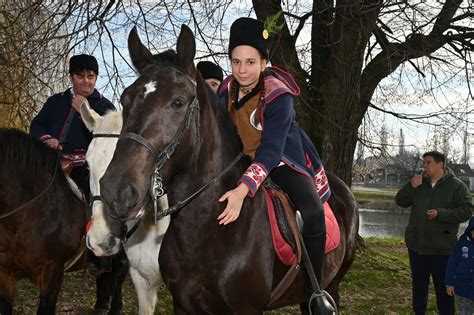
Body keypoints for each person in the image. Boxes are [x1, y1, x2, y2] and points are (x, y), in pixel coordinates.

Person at [217, 17, 333, 313]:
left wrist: (243, 189)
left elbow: (269, 150)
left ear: (264, 62)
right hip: (239, 158)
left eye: (250, 62)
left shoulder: (279, 93)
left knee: (312, 211)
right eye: (236, 62)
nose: (242, 70)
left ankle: (314, 291)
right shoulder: (225, 90)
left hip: (282, 159)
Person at [395, 151, 473, 315]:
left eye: (428, 162)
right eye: (424, 162)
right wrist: (410, 186)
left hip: (442, 249)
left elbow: (467, 210)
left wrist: (441, 214)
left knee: (444, 289)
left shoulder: (456, 186)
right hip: (417, 246)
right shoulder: (419, 184)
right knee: (419, 287)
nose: (424, 166)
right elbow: (400, 201)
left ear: (441, 164)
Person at [30, 54, 115, 200]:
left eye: (91, 76)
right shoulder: (55, 101)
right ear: (71, 77)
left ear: (96, 78)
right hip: (47, 166)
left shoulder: (106, 106)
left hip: (85, 173)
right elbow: (37, 125)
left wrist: (86, 112)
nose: (86, 81)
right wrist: (47, 139)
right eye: (80, 76)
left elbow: (109, 141)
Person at [445, 216, 474, 315]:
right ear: (470, 231)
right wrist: (450, 283)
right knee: (464, 311)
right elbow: (452, 265)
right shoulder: (461, 244)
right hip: (462, 288)